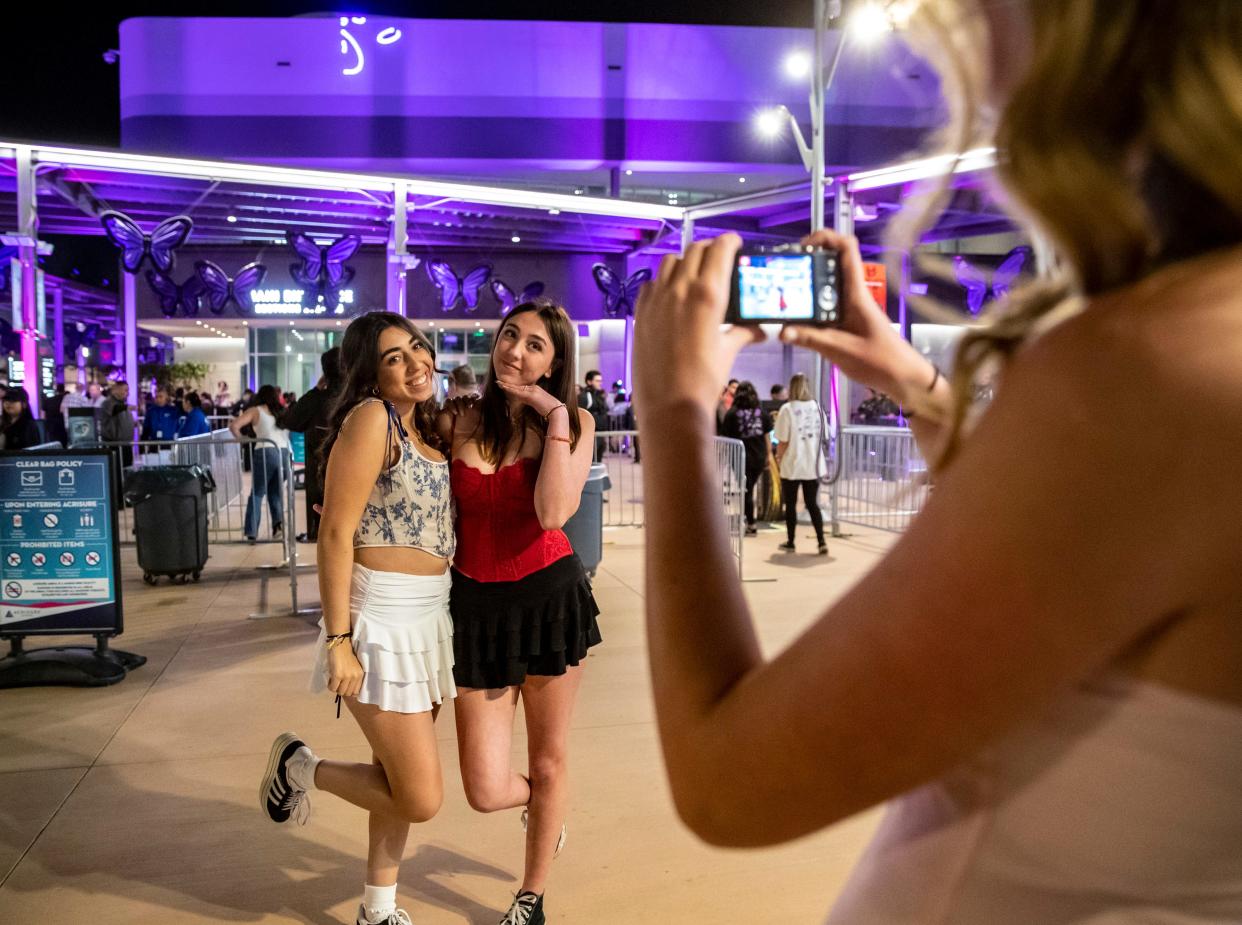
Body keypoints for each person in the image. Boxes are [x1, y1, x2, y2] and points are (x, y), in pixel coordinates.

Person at [632, 2, 1242, 921]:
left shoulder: (1144, 372)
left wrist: (674, 408)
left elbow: (726, 780)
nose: (945, 29)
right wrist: (913, 378)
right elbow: (1068, 550)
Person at [259, 313, 455, 925]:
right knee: (420, 796)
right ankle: (300, 766)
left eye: (416, 347)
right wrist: (338, 639)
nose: (414, 361)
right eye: (394, 356)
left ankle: (378, 908)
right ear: (371, 372)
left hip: (430, 619)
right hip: (381, 617)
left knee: (391, 777)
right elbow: (336, 531)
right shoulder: (372, 419)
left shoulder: (426, 426)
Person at [437, 301, 601, 925]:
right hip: (473, 607)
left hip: (548, 600)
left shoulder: (572, 421)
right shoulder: (460, 418)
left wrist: (553, 412)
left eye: (536, 344)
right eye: (510, 336)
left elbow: (554, 512)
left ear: (556, 360)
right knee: (482, 788)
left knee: (547, 759)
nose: (516, 351)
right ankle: (547, 810)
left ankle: (529, 895)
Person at [283, 346, 343, 543]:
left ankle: (316, 533)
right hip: (348, 466)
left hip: (318, 466)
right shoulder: (358, 397)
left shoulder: (316, 399)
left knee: (320, 509)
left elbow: (291, 421)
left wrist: (316, 389)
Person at [771, 373, 828, 555]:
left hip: (792, 462)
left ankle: (791, 541)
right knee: (812, 503)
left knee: (791, 504)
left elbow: (783, 440)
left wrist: (778, 458)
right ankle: (821, 542)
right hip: (813, 463)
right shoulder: (817, 407)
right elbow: (824, 436)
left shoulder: (787, 409)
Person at [230, 385, 290, 542]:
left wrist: (244, 441)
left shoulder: (256, 411)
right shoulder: (282, 411)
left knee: (257, 493)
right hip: (284, 453)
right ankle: (278, 527)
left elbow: (234, 425)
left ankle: (252, 531)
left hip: (265, 451)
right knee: (275, 493)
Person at [721, 381, 773, 536]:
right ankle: (750, 521)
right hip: (758, 456)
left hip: (739, 456)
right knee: (749, 489)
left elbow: (725, 437)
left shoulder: (731, 413)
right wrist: (769, 455)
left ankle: (750, 522)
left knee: (746, 490)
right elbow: (767, 437)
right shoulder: (761, 413)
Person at [99, 380, 135, 467]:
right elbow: (114, 409)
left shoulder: (123, 404)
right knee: (116, 472)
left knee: (127, 470)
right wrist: (126, 407)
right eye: (125, 390)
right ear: (116, 390)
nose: (128, 393)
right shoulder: (108, 402)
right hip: (114, 446)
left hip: (126, 445)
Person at [576, 369, 609, 462]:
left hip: (600, 434)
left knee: (598, 461)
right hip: (590, 435)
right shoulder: (583, 396)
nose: (600, 383)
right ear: (589, 382)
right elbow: (580, 414)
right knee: (590, 462)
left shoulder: (599, 396)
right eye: (597, 381)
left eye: (601, 381)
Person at [0, 386, 42, 450]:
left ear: (24, 404)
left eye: (13, 400)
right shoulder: (3, 424)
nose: (8, 403)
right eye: (6, 400)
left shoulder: (29, 426)